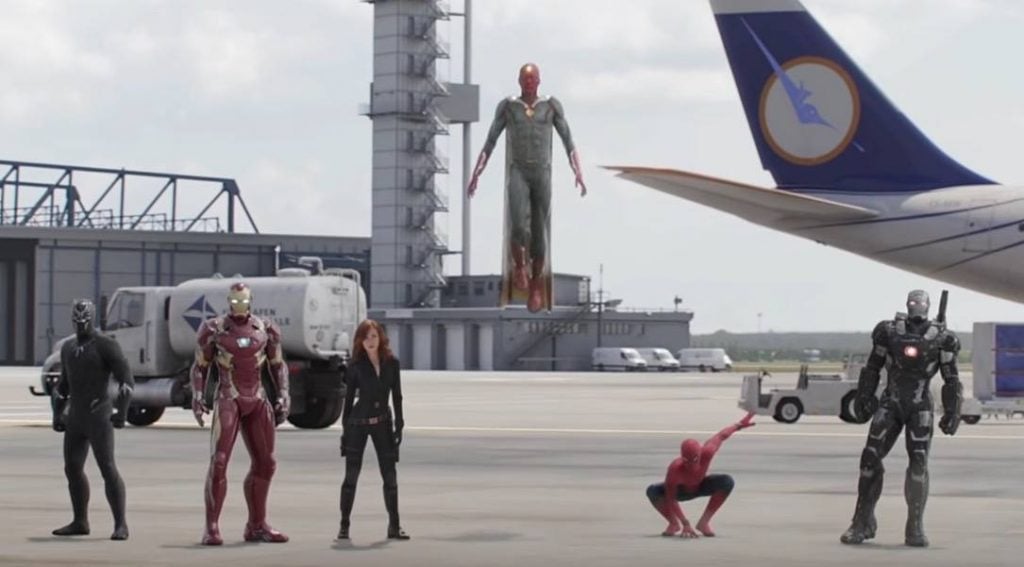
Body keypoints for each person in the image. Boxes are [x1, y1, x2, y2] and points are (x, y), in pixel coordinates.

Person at [840, 290, 961, 547]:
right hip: (891, 401)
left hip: (920, 405)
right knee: (870, 458)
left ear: (928, 306)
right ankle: (862, 521)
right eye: (913, 302)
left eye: (920, 302)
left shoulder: (942, 337)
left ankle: (914, 525)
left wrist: (953, 411)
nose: (916, 306)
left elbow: (951, 377)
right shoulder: (889, 331)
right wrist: (864, 396)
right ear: (907, 304)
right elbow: (873, 366)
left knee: (918, 463)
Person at [467, 62, 587, 313]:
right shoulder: (509, 107)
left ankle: (535, 285)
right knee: (518, 225)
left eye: (533, 79)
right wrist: (477, 174)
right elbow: (490, 141)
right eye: (525, 79)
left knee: (540, 231)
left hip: (542, 172)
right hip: (519, 171)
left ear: (539, 81)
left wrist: (577, 171)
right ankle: (520, 266)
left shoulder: (550, 106)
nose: (529, 83)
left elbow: (568, 140)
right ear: (519, 81)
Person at [190, 282, 290, 545]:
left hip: (257, 398)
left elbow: (278, 364)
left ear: (251, 300)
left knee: (266, 463)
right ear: (228, 302)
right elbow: (200, 366)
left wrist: (283, 394)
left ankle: (257, 525)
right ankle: (212, 527)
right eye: (235, 302)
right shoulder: (213, 329)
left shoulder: (266, 328)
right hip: (229, 398)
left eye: (243, 301)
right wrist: (198, 396)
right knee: (219, 461)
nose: (239, 307)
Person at [51, 299, 134, 540]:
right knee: (72, 468)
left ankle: (121, 524)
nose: (81, 325)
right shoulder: (68, 347)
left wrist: (122, 412)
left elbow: (126, 380)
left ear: (92, 319)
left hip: (99, 415)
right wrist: (57, 413)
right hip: (76, 416)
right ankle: (80, 520)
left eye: (84, 321)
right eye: (77, 321)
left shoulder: (106, 345)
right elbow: (63, 385)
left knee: (107, 467)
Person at [337, 319, 408, 541]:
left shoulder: (392, 363)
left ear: (381, 338)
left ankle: (394, 526)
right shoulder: (355, 366)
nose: (370, 341)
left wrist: (399, 424)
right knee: (351, 476)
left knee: (390, 476)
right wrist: (345, 430)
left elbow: (397, 396)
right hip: (358, 424)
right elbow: (349, 400)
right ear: (360, 341)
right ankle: (344, 525)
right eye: (366, 337)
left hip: (383, 423)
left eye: (374, 336)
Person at [646, 412, 755, 538]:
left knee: (726, 481)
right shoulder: (675, 469)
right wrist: (685, 523)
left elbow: (721, 436)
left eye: (695, 459)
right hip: (680, 492)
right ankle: (673, 523)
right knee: (652, 491)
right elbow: (671, 498)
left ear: (700, 454)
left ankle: (704, 522)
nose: (691, 464)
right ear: (682, 457)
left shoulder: (707, 452)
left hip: (700, 486)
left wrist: (738, 425)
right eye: (686, 460)